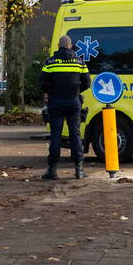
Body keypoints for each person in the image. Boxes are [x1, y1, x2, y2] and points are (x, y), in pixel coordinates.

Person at [38, 34, 91, 180]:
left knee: (56, 136)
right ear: (70, 45)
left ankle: (52, 170)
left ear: (58, 46)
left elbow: (41, 82)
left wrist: (51, 91)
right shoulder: (80, 62)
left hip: (56, 102)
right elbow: (87, 82)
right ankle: (79, 170)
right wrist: (76, 91)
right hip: (74, 102)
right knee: (75, 135)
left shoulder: (50, 62)